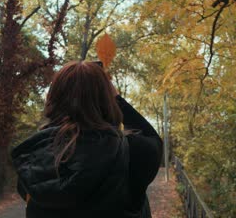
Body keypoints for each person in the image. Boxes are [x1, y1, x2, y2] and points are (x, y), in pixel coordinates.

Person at [11, 61, 163, 218]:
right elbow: (152, 139)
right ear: (107, 100)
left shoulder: (33, 156)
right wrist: (116, 98)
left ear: (52, 99)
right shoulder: (130, 152)